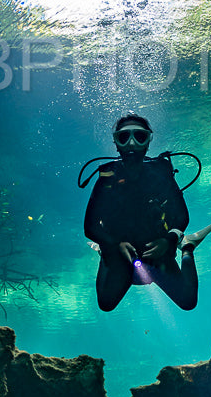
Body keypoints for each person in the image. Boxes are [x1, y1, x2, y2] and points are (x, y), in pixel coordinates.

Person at [83, 113, 199, 312]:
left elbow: (181, 216)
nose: (131, 143)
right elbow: (89, 226)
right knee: (106, 304)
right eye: (123, 137)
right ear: (116, 143)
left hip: (158, 249)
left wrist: (170, 240)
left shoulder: (160, 172)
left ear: (148, 141)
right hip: (121, 254)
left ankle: (187, 248)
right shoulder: (106, 177)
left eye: (140, 136)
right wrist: (114, 244)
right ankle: (104, 253)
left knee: (188, 302)